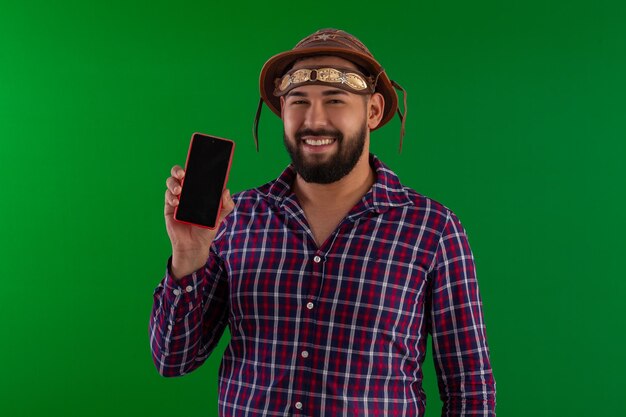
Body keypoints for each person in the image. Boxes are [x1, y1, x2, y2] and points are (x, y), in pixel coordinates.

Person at [150, 28, 496, 416]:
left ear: (373, 111)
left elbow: (470, 394)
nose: (314, 121)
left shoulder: (432, 229)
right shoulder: (234, 220)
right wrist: (188, 255)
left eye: (335, 100)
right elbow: (173, 359)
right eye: (298, 101)